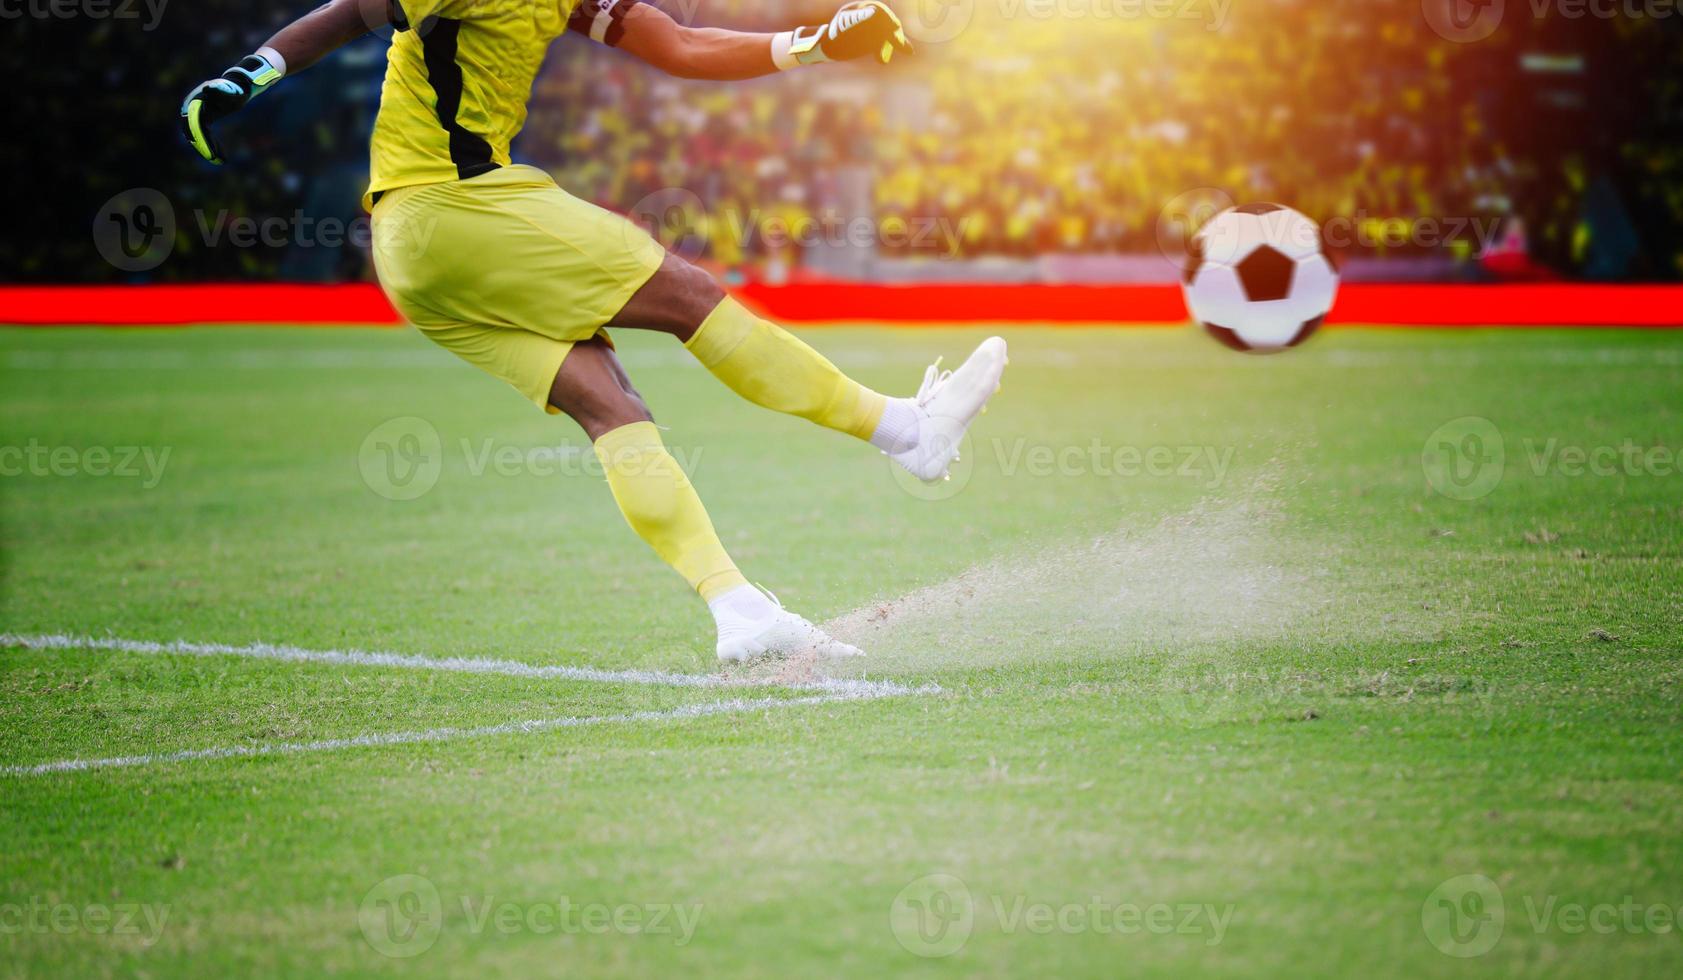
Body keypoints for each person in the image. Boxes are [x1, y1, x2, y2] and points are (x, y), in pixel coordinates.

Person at [181, 0, 1008, 662]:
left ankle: (738, 609)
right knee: (686, 295)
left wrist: (813, 44)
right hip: (458, 203)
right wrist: (250, 72)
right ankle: (906, 432)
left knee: (608, 402)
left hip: (413, 254)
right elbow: (354, 9)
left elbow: (679, 46)